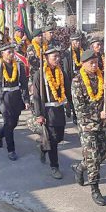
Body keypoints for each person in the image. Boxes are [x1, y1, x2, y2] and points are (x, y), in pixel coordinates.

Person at [71, 49, 106, 206]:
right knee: (94, 159)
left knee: (101, 156)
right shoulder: (77, 82)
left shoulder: (100, 76)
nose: (95, 65)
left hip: (101, 125)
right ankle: (95, 189)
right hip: (87, 126)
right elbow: (80, 110)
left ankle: (80, 167)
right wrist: (98, 115)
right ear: (83, 64)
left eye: (96, 62)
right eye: (91, 63)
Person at [32, 47, 68, 178]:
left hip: (59, 109)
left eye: (58, 56)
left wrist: (71, 108)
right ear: (46, 59)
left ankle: (43, 147)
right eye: (54, 57)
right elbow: (36, 96)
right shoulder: (39, 75)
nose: (57, 59)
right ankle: (54, 166)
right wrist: (39, 114)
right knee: (53, 140)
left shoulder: (61, 72)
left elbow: (67, 90)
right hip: (48, 111)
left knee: (59, 137)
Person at [0, 43, 30, 161]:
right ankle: (11, 150)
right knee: (8, 123)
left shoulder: (18, 66)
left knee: (14, 123)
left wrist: (26, 100)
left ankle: (0, 133)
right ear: (2, 54)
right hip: (4, 99)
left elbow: (24, 84)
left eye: (12, 51)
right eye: (9, 52)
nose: (12, 54)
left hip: (16, 97)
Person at [62, 33, 84, 124]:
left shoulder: (83, 51)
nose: (78, 43)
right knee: (73, 99)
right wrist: (68, 83)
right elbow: (66, 70)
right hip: (72, 79)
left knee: (81, 99)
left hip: (82, 79)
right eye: (76, 41)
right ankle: (75, 115)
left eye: (79, 41)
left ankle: (80, 115)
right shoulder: (67, 54)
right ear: (72, 42)